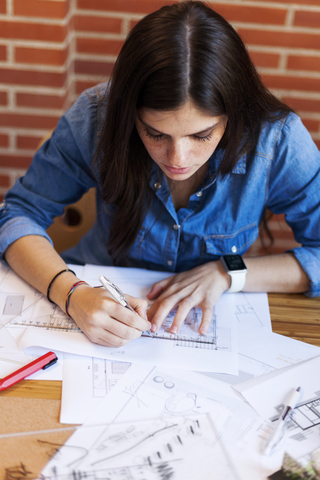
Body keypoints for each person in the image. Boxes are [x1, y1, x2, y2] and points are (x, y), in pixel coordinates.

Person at [0, 1, 319, 348]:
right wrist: (71, 292)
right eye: (155, 133)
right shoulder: (96, 117)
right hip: (96, 289)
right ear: (129, 114)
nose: (178, 159)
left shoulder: (278, 140)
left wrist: (229, 272)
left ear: (233, 116)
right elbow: (18, 215)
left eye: (201, 136)